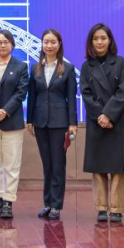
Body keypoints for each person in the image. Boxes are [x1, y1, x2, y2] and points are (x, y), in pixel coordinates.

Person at [80, 23, 124, 223]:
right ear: (91, 42)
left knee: (117, 167)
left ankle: (117, 207)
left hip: (116, 121)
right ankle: (101, 207)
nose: (99, 42)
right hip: (96, 121)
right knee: (98, 166)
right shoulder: (86, 66)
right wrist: (100, 116)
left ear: (110, 40)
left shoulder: (120, 62)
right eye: (96, 39)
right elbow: (86, 94)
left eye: (103, 38)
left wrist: (109, 115)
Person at [26, 28, 78, 220]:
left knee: (58, 164)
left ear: (59, 44)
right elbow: (32, 96)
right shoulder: (35, 68)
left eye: (53, 42)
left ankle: (56, 204)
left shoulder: (68, 68)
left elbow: (71, 98)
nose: (49, 45)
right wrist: (29, 120)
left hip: (59, 122)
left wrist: (72, 123)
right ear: (42, 44)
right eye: (46, 42)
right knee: (47, 164)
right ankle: (47, 203)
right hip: (40, 122)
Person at [0, 29, 29, 219]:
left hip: (12, 120)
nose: (2, 45)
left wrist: (5, 111)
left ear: (12, 44)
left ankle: (8, 200)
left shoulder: (21, 66)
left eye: (6, 42)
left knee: (11, 163)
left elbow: (21, 92)